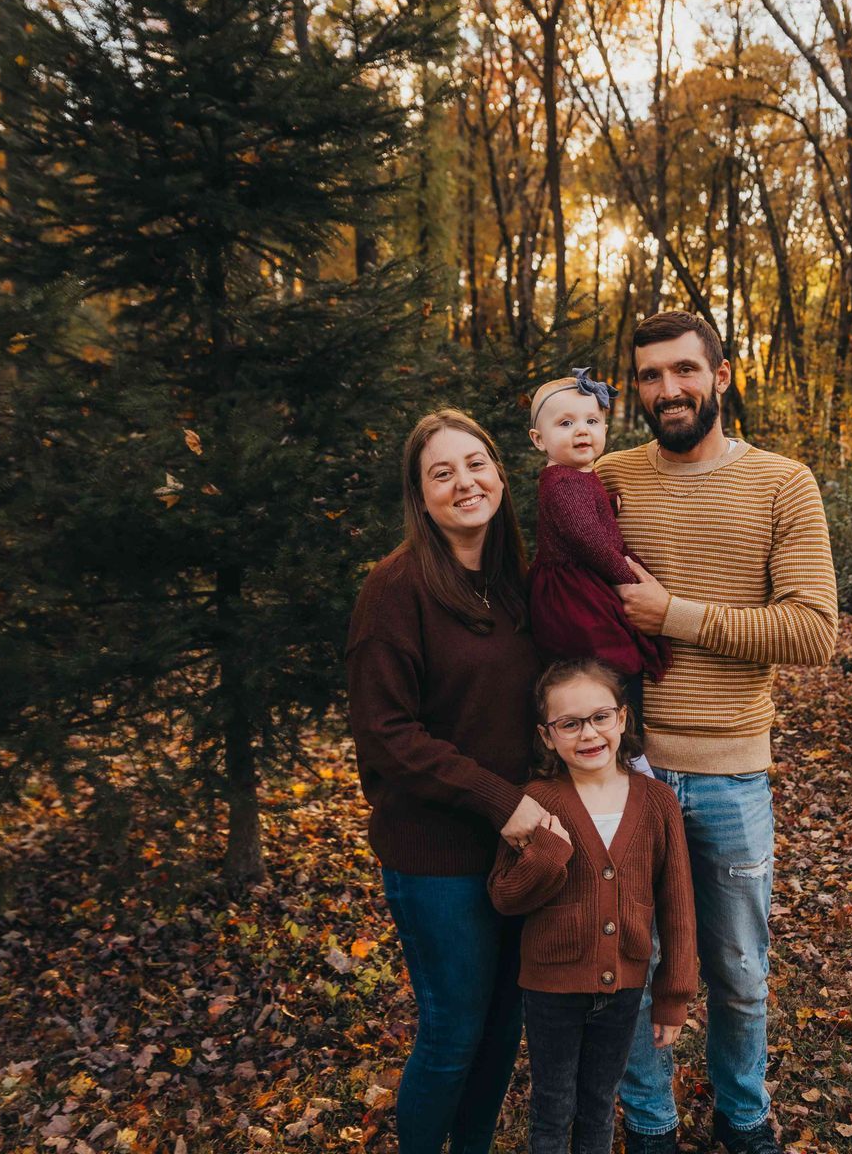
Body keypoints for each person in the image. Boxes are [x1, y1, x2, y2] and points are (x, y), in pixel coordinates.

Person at [598, 312, 840, 1154]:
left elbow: (813, 631)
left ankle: (743, 1116)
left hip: (732, 775)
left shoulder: (783, 483)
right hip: (625, 775)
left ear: (722, 376)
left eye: (683, 371)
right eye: (651, 376)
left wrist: (677, 616)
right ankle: (652, 1124)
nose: (668, 390)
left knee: (738, 972)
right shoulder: (608, 479)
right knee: (630, 965)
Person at [346, 408, 553, 1154]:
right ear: (421, 495)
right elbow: (387, 736)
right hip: (436, 857)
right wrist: (504, 803)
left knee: (505, 1027)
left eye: (476, 464)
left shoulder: (516, 583)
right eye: (443, 472)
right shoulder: (396, 590)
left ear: (500, 473)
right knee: (454, 1031)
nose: (464, 482)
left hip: (518, 851)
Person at [488, 658, 696, 1154]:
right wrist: (547, 856)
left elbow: (679, 905)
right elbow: (503, 896)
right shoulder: (536, 802)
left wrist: (674, 993)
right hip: (550, 990)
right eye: (570, 724)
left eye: (600, 717)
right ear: (547, 735)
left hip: (625, 988)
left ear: (622, 719)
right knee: (553, 1107)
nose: (588, 734)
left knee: (600, 1104)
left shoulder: (658, 802)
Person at [524, 369, 671, 776]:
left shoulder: (576, 477)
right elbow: (585, 537)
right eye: (566, 423)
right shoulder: (558, 481)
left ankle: (624, 747)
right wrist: (625, 575)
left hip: (582, 584)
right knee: (613, 662)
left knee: (615, 665)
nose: (581, 431)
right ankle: (631, 755)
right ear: (540, 440)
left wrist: (607, 501)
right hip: (574, 595)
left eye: (592, 421)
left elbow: (582, 510)